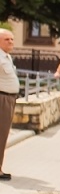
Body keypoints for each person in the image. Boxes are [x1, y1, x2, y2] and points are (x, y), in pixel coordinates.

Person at [0, 27, 18, 180]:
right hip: (2, 98)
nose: (11, 42)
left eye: (12, 39)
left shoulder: (6, 57)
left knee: (3, 135)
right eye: (7, 39)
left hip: (9, 98)